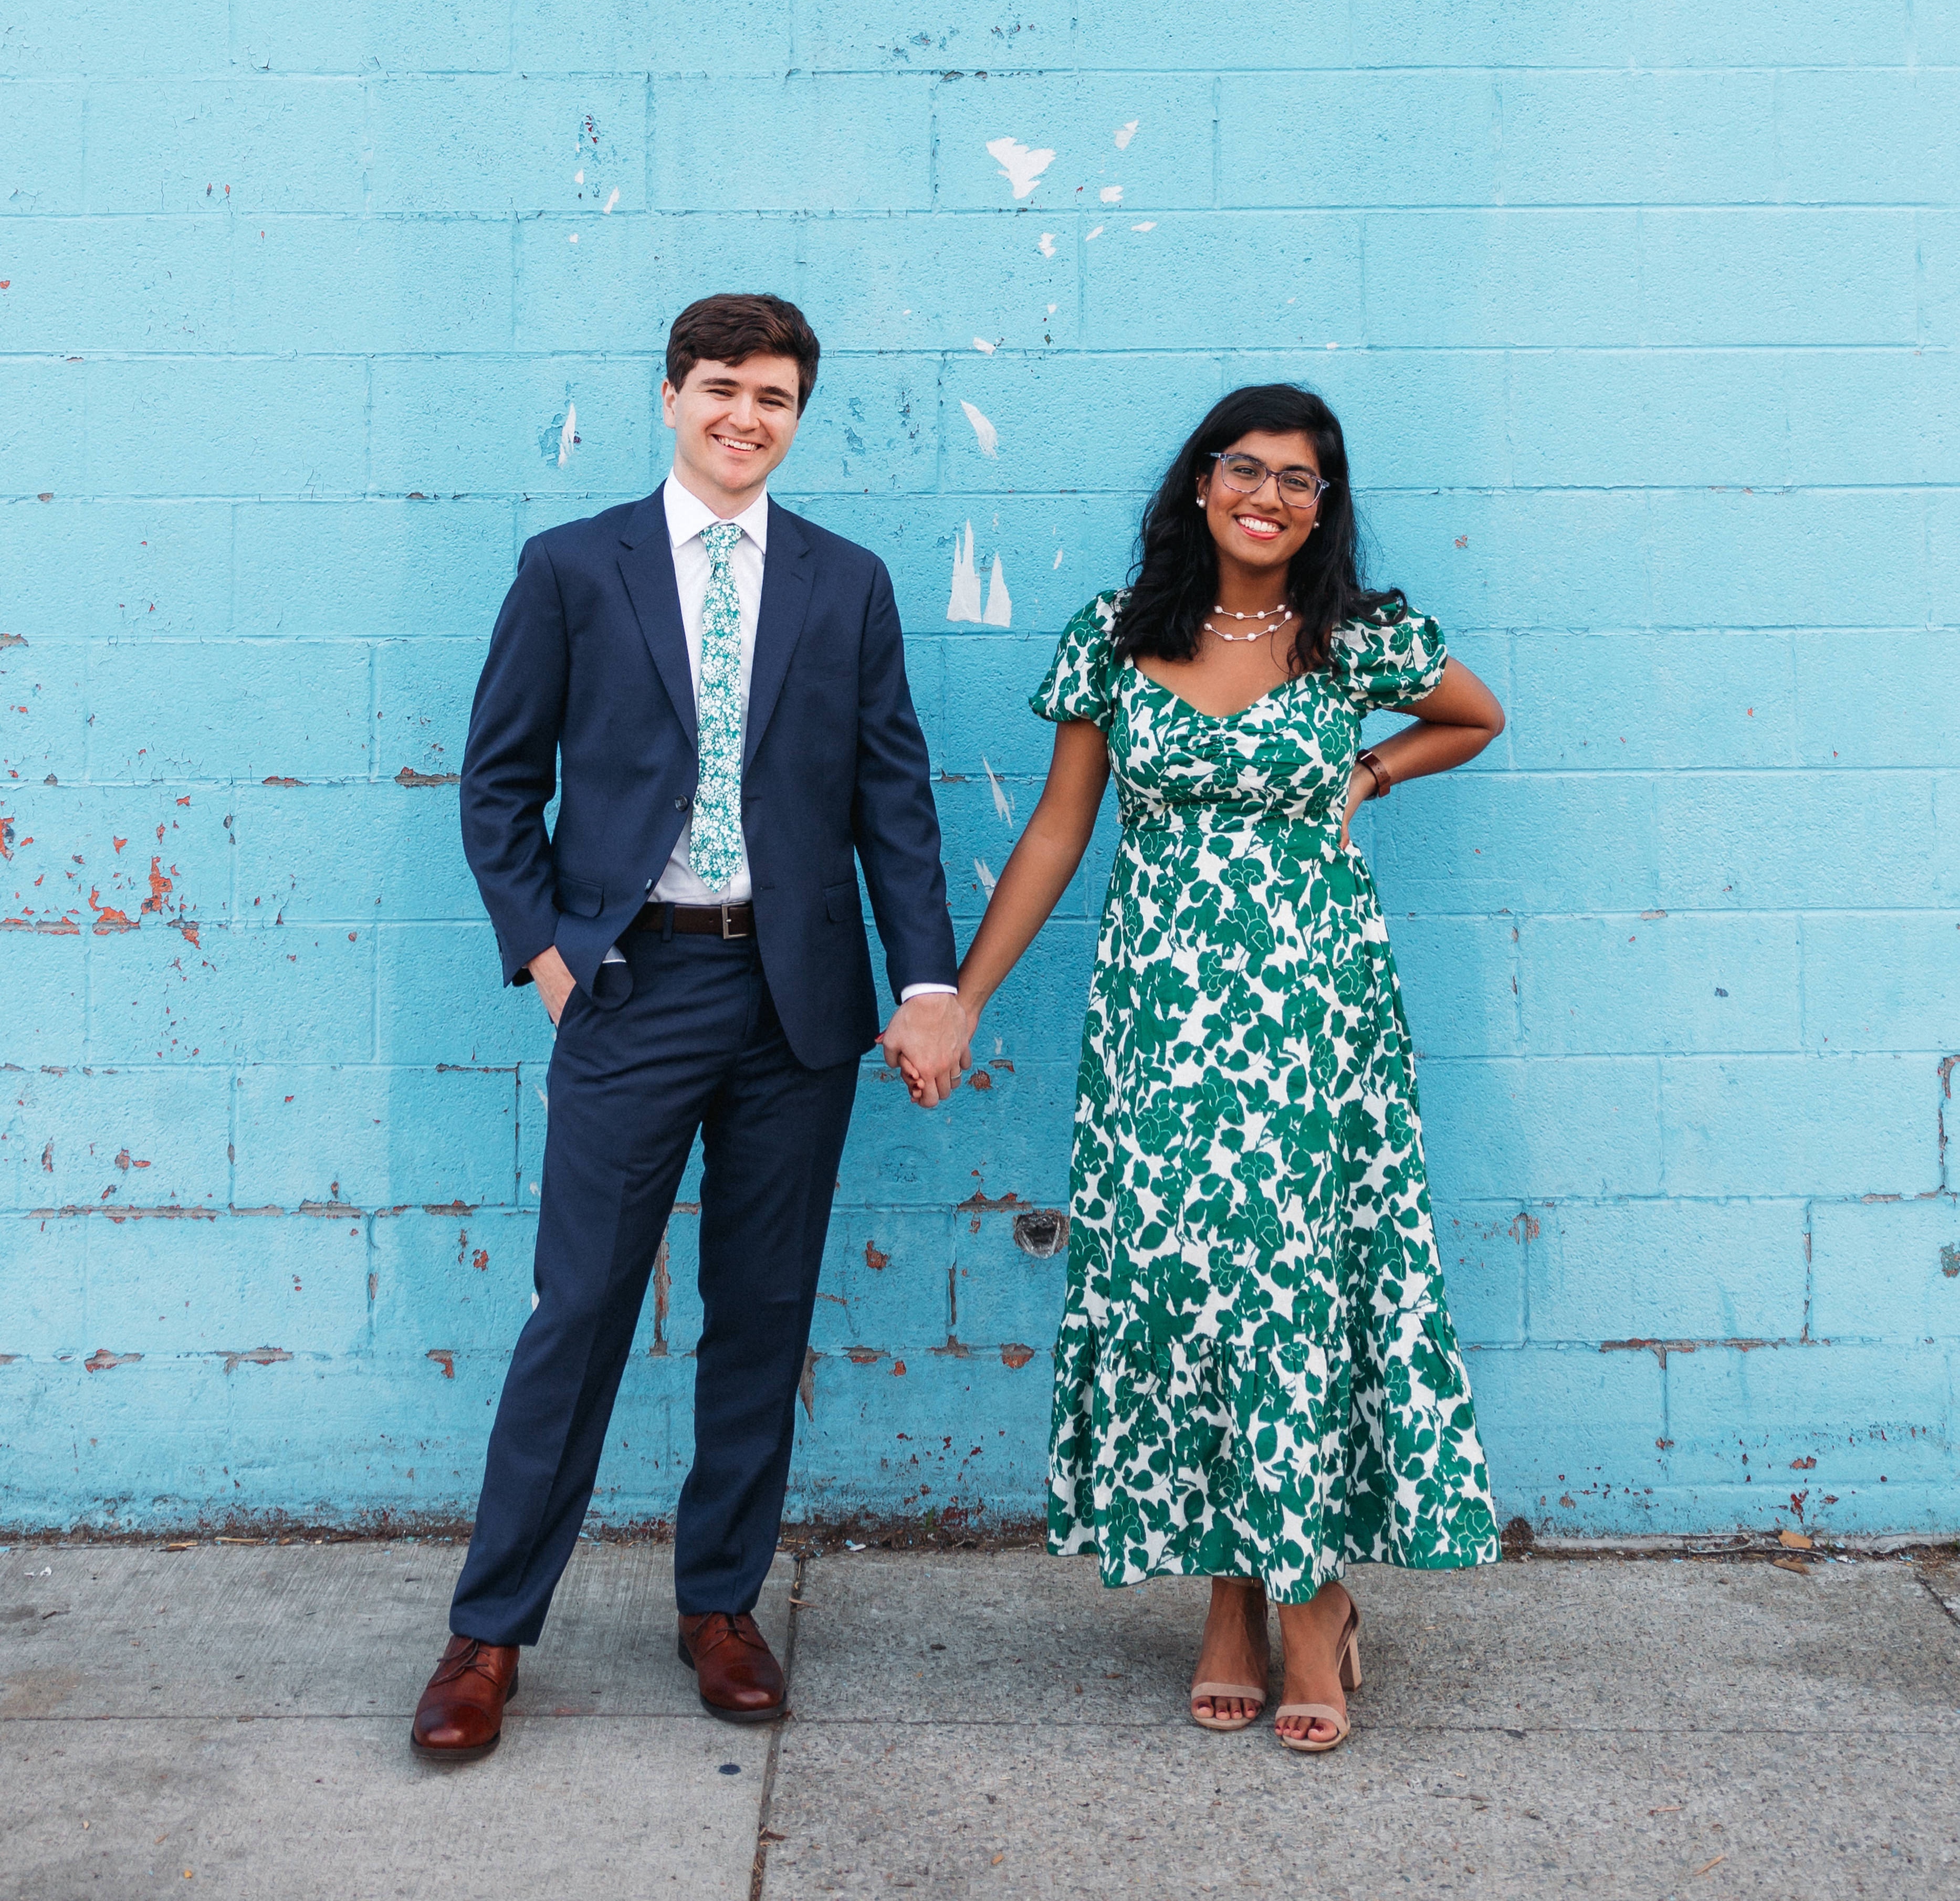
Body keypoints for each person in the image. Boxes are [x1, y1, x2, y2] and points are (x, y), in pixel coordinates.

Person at [905, 383, 1505, 1755]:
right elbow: (1059, 832)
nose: (1271, 496)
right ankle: (1236, 1588)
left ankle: (1301, 1609)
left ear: (1321, 506)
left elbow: (1475, 716)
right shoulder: (1116, 642)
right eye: (1248, 469)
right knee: (1191, 1290)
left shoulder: (1356, 638)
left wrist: (1369, 778)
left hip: (1314, 1020)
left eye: (1302, 480)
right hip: (1163, 1024)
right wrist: (967, 997)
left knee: (1289, 1285)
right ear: (1200, 484)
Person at [411, 292, 969, 1759]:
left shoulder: (845, 584)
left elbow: (891, 796)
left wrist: (925, 984)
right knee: (580, 1308)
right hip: (633, 984)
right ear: (671, 396)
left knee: (762, 1311)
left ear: (798, 415)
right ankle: (488, 1632)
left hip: (795, 1000)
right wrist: (548, 955)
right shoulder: (572, 568)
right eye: (723, 387)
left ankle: (720, 1604)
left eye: (775, 396)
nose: (747, 416)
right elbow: (495, 783)